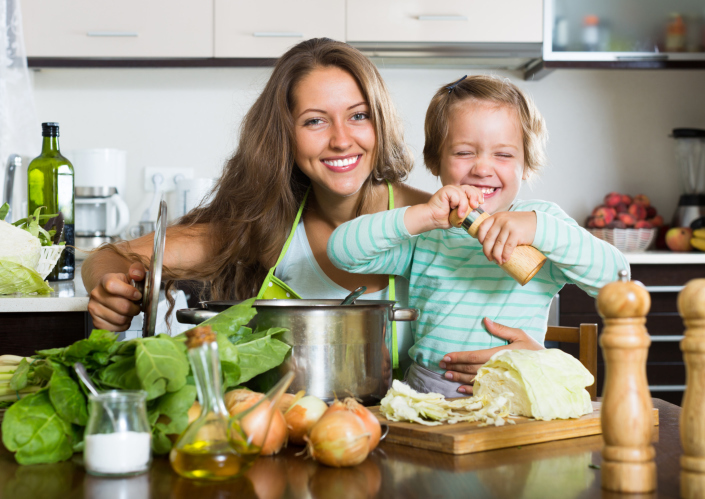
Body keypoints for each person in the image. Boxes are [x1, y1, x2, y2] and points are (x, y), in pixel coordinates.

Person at [81, 38, 430, 372]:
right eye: (315, 121)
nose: (341, 140)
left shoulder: (434, 223)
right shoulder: (265, 225)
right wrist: (111, 287)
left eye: (358, 116)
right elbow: (108, 257)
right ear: (284, 135)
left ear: (380, 122)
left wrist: (487, 353)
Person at [327, 74, 630, 397]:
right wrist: (422, 215)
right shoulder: (429, 234)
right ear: (435, 161)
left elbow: (617, 282)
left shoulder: (542, 226)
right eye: (464, 153)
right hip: (428, 393)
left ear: (526, 163)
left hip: (517, 393)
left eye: (503, 154)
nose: (483, 169)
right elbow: (342, 251)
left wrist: (540, 228)